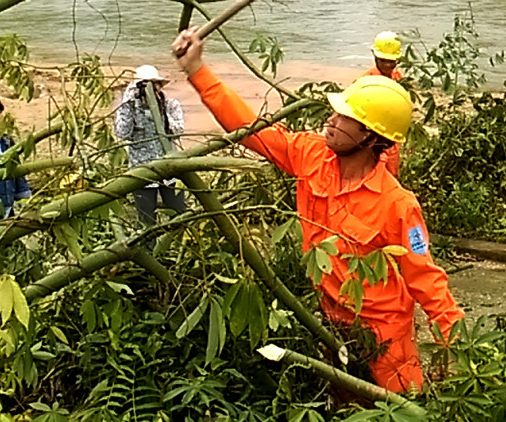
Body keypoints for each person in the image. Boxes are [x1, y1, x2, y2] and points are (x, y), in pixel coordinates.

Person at [172, 26, 463, 393]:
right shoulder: (311, 155)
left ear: (371, 138)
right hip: (328, 322)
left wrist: (460, 343)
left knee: (400, 413)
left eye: (344, 119)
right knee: (341, 407)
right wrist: (197, 70)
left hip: (385, 337)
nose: (331, 121)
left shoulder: (397, 205)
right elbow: (250, 129)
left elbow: (426, 279)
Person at [114, 65, 186, 223]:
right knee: (147, 220)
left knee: (180, 215)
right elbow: (122, 133)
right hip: (141, 170)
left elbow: (178, 130)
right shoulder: (129, 108)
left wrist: (159, 112)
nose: (150, 91)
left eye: (154, 86)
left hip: (170, 167)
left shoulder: (170, 105)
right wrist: (127, 102)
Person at [361, 32, 403, 174]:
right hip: (372, 139)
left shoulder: (397, 76)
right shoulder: (365, 82)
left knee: (392, 175)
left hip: (391, 136)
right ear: (375, 57)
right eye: (383, 60)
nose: (387, 64)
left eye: (391, 61)